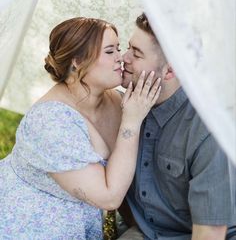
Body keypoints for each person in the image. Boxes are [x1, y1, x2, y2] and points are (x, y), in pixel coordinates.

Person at [0, 17, 162, 239]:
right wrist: (131, 122)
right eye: (109, 51)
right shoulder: (51, 122)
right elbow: (109, 197)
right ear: (76, 61)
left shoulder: (117, 101)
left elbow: (120, 172)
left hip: (78, 219)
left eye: (118, 48)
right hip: (27, 223)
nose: (121, 58)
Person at [118, 13, 236, 240]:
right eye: (128, 48)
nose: (125, 57)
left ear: (169, 71)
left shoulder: (208, 130)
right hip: (144, 232)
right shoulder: (122, 105)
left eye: (136, 53)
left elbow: (209, 233)